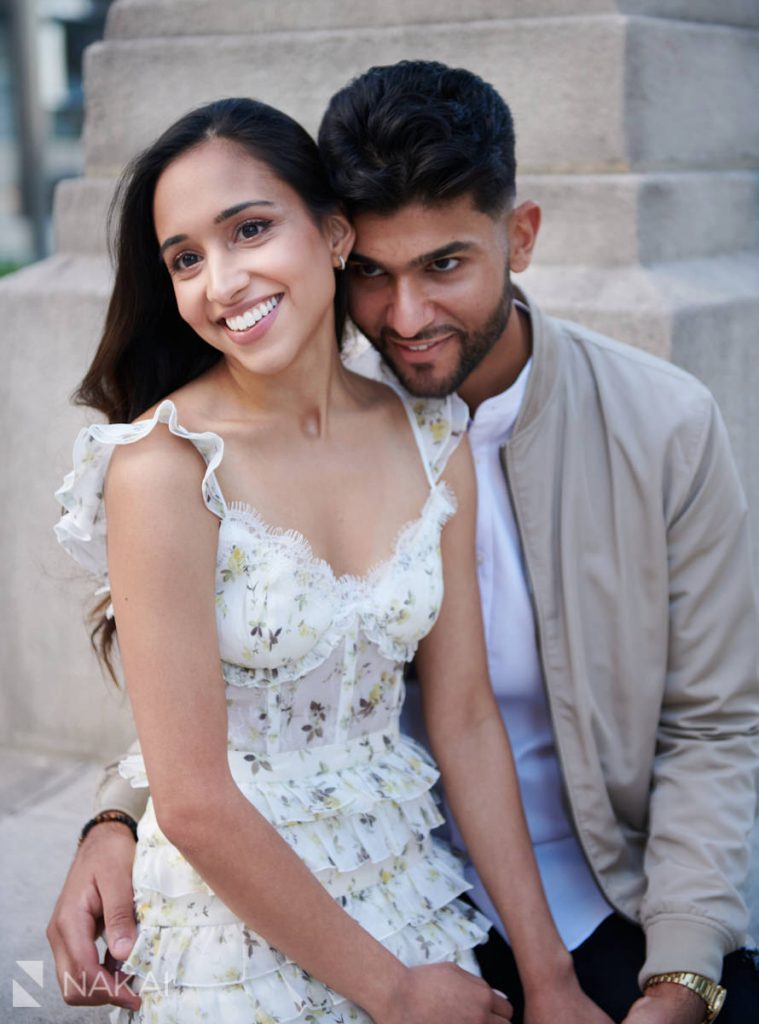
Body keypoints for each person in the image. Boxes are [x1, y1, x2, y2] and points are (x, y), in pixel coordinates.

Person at [47, 63, 759, 1023]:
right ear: (345, 247)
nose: (408, 316)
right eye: (376, 276)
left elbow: (697, 724)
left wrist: (662, 972)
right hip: (304, 912)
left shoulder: (629, 427)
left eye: (445, 267)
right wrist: (113, 816)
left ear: (520, 238)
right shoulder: (177, 461)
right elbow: (216, 736)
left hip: (560, 889)